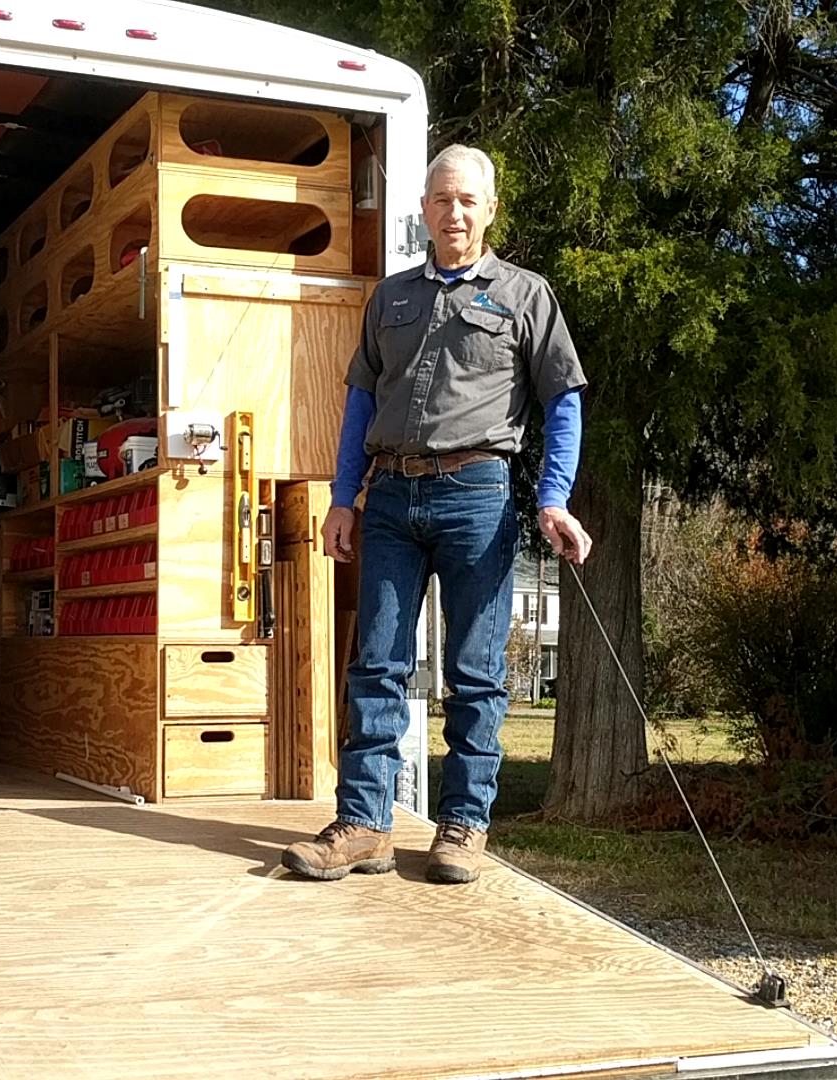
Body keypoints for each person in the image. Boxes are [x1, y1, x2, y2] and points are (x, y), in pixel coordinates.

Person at [281, 143, 591, 886]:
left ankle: (463, 826)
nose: (454, 213)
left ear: (490, 210)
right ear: (423, 209)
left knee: (475, 674)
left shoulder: (525, 295)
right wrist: (340, 500)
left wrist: (552, 497)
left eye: (468, 201)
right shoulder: (389, 298)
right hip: (388, 497)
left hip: (477, 496)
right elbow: (358, 403)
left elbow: (564, 400)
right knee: (377, 665)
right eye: (441, 199)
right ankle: (363, 824)